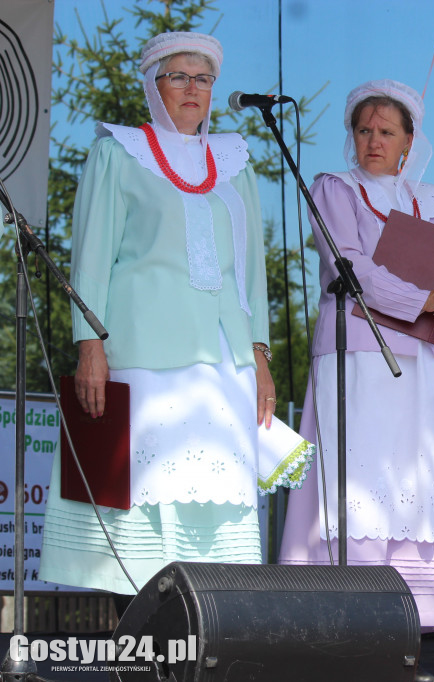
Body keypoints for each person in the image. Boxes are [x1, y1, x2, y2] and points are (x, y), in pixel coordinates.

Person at [39, 32, 312, 600]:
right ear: (152, 85)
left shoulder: (235, 163)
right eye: (179, 76)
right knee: (141, 511)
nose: (194, 88)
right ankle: (138, 654)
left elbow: (249, 274)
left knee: (212, 519)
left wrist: (260, 360)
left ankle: (198, 649)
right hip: (141, 356)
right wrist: (89, 346)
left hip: (224, 361)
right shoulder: (118, 151)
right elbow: (90, 258)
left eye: (204, 78)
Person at [277, 80, 434, 677]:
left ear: (409, 142)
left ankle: (405, 635)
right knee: (362, 488)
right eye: (363, 129)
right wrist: (426, 296)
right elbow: (349, 265)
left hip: (429, 363)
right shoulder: (333, 189)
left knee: (424, 483)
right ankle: (352, 628)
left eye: (385, 131)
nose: (372, 140)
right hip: (359, 354)